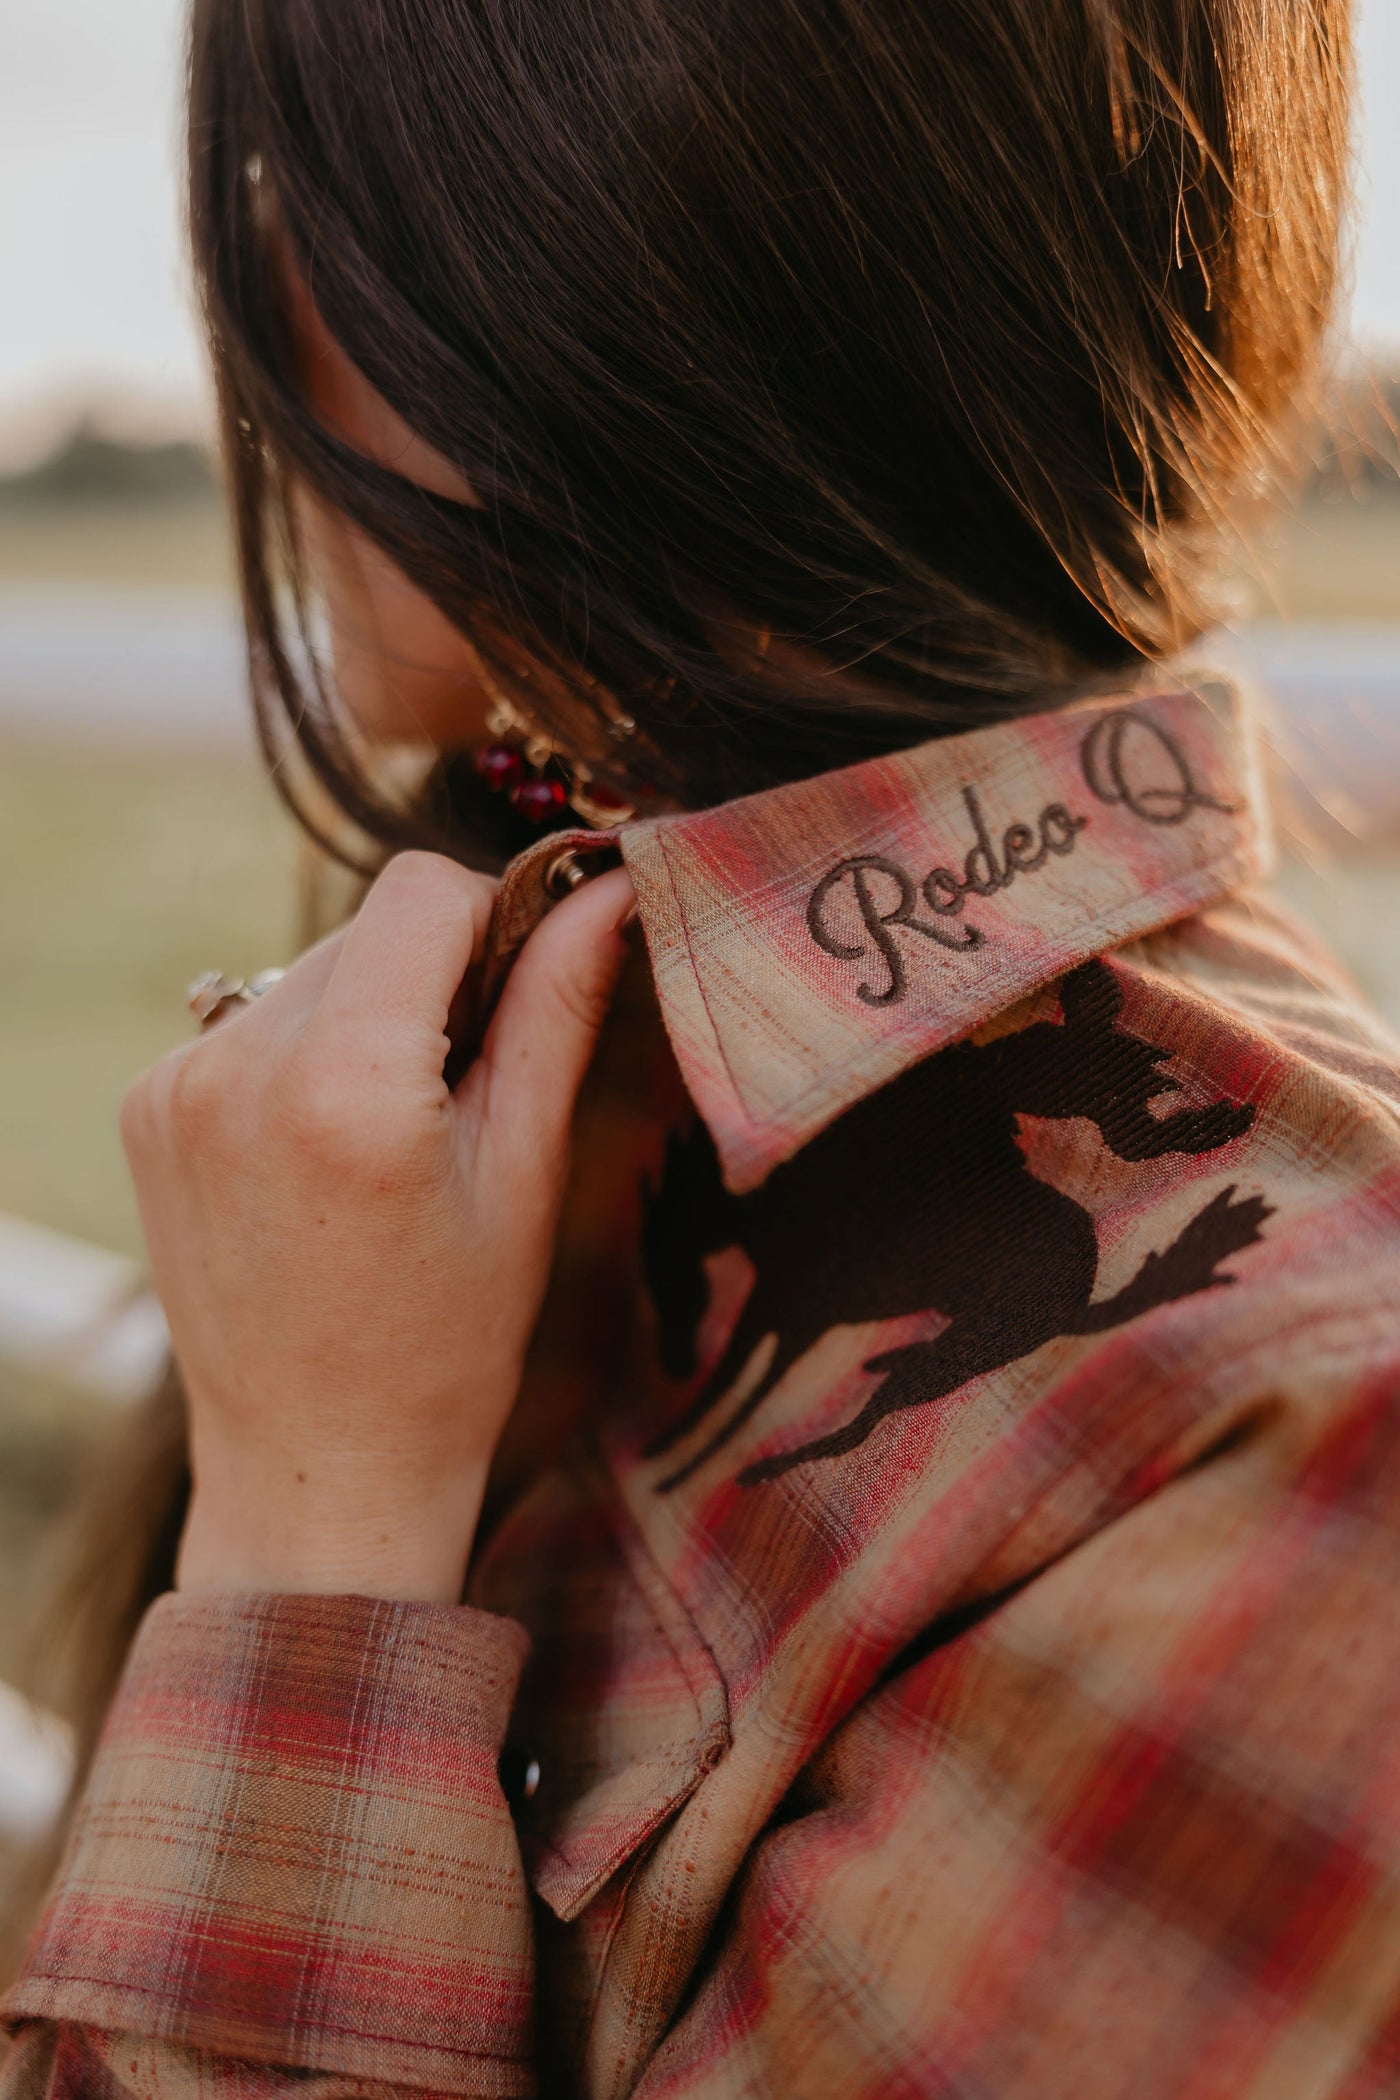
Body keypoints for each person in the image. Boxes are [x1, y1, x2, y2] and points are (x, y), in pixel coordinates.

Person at [5, 0, 1399, 2093]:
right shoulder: (541, 1008)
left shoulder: (1322, 1495)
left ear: (561, 260)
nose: (247, 335)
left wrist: (314, 1547)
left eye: (298, 208)